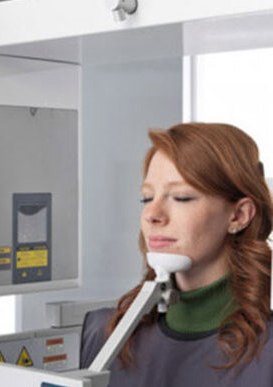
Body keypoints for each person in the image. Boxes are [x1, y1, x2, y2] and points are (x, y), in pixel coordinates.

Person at [80, 123, 273, 386]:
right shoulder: (102, 334)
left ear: (239, 215)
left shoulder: (266, 353)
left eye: (181, 197)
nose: (152, 215)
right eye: (147, 198)